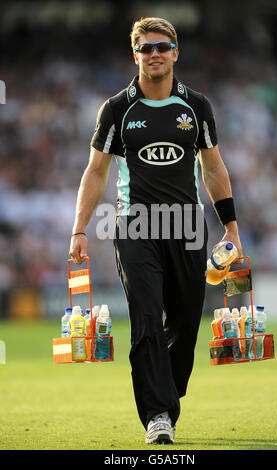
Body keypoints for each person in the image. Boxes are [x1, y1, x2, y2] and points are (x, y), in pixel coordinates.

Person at [69, 17, 242, 445]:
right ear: (136, 55)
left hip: (187, 228)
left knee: (185, 322)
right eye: (146, 48)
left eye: (162, 46)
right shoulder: (116, 109)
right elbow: (95, 172)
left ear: (176, 52)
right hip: (135, 226)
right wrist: (79, 229)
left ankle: (167, 397)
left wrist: (231, 230)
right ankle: (157, 415)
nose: (155, 54)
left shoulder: (196, 106)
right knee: (147, 316)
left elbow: (214, 167)